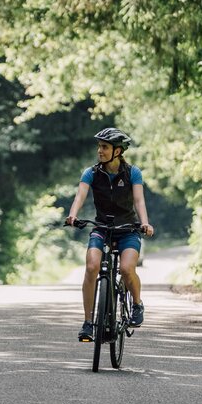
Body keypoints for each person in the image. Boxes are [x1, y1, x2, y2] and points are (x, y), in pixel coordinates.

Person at [66, 127, 154, 342]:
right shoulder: (92, 173)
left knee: (126, 268)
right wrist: (72, 215)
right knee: (91, 266)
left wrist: (144, 223)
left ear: (117, 151)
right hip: (101, 228)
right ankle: (88, 322)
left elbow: (139, 200)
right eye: (99, 146)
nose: (100, 150)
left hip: (127, 230)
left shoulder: (133, 172)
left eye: (104, 147)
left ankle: (137, 303)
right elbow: (80, 196)